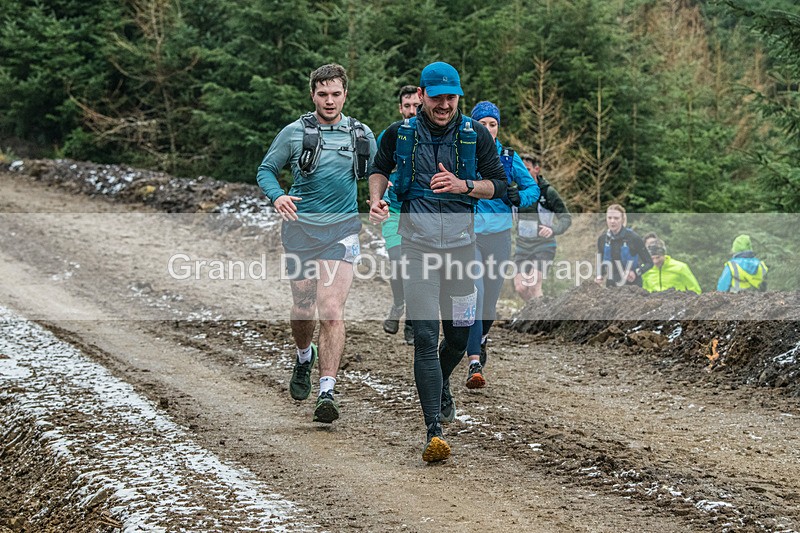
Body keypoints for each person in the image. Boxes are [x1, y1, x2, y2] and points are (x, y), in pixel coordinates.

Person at [367, 62, 508, 463]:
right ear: (423, 95)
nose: (444, 104)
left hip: (463, 250)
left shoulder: (475, 135)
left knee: (461, 339)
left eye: (451, 97)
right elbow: (379, 169)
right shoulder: (401, 134)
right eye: (437, 97)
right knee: (427, 339)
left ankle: (441, 383)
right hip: (418, 251)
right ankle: (434, 430)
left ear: (458, 96)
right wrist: (378, 199)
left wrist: (465, 185)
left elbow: (499, 183)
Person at [256, 63, 377, 424]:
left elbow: (378, 172)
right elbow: (266, 169)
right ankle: (303, 356)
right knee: (303, 305)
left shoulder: (360, 133)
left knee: (331, 309)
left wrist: (378, 199)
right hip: (300, 232)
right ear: (313, 95)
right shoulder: (295, 132)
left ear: (345, 94)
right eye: (322, 94)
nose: (329, 100)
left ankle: (327, 391)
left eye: (336, 94)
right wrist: (278, 196)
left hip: (342, 231)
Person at [463, 101, 540, 390]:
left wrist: (519, 197)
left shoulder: (508, 157)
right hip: (469, 236)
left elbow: (533, 188)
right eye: (482, 124)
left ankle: (481, 339)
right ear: (473, 126)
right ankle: (473, 363)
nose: (488, 129)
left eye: (492, 124)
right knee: (476, 293)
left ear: (498, 127)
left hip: (499, 236)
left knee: (490, 301)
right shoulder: (464, 153)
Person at [381, 85, 420, 345]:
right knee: (397, 261)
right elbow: (375, 167)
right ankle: (398, 303)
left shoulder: (431, 134)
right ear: (400, 108)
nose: (412, 111)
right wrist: (382, 188)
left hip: (420, 213)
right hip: (393, 210)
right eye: (407, 106)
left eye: (416, 106)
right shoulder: (391, 134)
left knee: (416, 269)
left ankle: (412, 322)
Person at [513, 155, 572, 302]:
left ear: (536, 169)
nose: (523, 174)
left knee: (533, 285)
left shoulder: (548, 192)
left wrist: (552, 229)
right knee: (521, 288)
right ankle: (532, 314)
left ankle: (540, 318)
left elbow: (566, 218)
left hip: (544, 245)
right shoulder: (514, 193)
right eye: (520, 170)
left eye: (527, 170)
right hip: (522, 246)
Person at [595, 204, 652, 288]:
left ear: (622, 220)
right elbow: (601, 262)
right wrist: (599, 275)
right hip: (612, 285)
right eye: (609, 218)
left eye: (616, 218)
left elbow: (649, 263)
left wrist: (636, 272)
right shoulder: (602, 239)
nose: (612, 221)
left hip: (633, 285)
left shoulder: (634, 238)